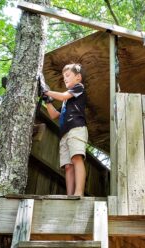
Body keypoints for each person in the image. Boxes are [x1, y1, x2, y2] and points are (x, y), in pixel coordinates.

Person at [40, 63, 88, 196]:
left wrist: (45, 91)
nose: (65, 78)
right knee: (68, 166)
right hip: (64, 133)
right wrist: (47, 100)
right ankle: (70, 195)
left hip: (76, 128)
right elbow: (54, 115)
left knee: (76, 158)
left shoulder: (79, 88)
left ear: (78, 77)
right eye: (63, 77)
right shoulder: (66, 102)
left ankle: (78, 193)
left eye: (67, 75)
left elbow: (62, 95)